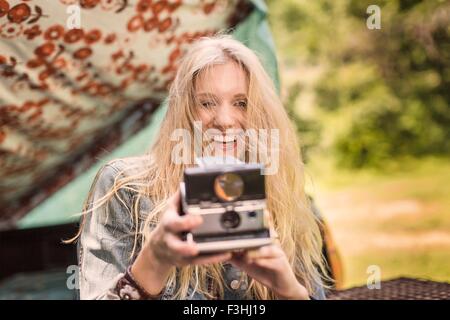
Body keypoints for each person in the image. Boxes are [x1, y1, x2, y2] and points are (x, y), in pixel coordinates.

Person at [71, 34, 329, 300]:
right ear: (184, 110)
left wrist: (289, 291)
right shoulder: (126, 187)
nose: (225, 121)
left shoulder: (278, 191)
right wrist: (155, 259)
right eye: (206, 103)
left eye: (241, 103)